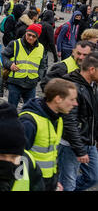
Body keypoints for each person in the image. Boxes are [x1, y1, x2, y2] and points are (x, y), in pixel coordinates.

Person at [19, 78, 78, 191]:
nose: (75, 103)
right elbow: (17, 156)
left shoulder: (57, 118)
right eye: (72, 99)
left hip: (47, 182)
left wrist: (54, 181)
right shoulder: (29, 122)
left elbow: (52, 153)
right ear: (58, 99)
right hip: (31, 183)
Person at [58, 52, 98, 191]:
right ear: (92, 69)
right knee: (67, 184)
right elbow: (69, 123)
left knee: (92, 177)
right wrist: (80, 150)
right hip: (70, 145)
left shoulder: (93, 85)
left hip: (88, 142)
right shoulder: (72, 88)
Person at [2, 24, 45, 108]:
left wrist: (38, 77)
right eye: (29, 35)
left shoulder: (41, 47)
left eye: (34, 36)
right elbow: (3, 56)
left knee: (30, 110)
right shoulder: (15, 44)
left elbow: (42, 65)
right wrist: (10, 65)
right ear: (26, 33)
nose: (31, 38)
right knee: (11, 110)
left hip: (31, 84)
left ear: (37, 37)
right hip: (15, 82)